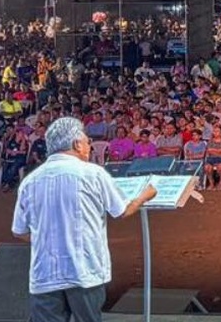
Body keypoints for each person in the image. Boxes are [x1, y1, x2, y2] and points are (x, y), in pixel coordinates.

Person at [11, 117, 157, 322]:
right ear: (76, 144)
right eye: (87, 141)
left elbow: (19, 231)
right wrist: (145, 195)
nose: (89, 146)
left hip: (44, 273)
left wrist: (49, 240)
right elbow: (122, 210)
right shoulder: (93, 173)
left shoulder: (30, 181)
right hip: (84, 271)